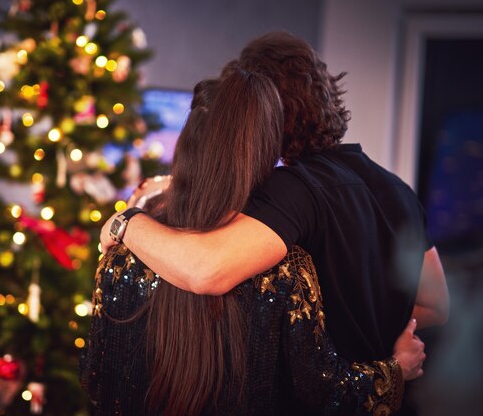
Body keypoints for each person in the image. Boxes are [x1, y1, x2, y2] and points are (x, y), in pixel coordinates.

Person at [99, 32, 448, 413]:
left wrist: (126, 221)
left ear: (265, 112)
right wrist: (389, 349)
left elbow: (205, 269)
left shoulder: (291, 191)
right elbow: (435, 304)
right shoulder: (397, 189)